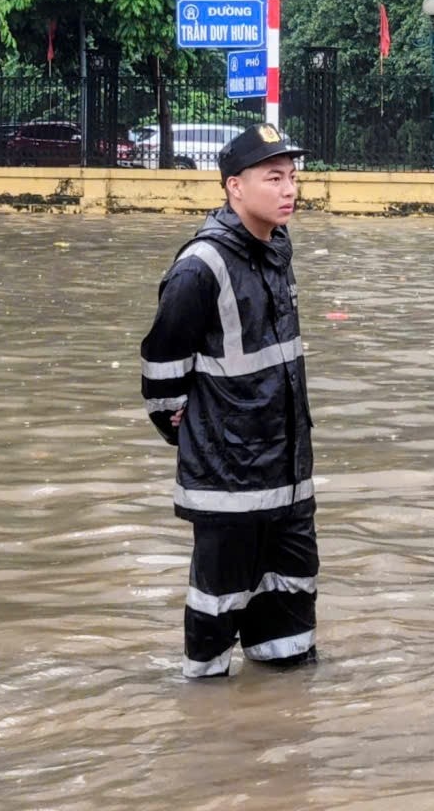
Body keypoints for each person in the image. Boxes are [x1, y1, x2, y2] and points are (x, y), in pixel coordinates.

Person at [140, 124, 318, 678]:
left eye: (292, 178)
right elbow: (161, 372)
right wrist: (200, 435)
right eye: (274, 178)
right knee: (213, 631)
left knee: (292, 633)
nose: (288, 190)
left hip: (288, 480)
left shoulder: (276, 250)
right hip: (229, 484)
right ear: (234, 187)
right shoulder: (200, 266)